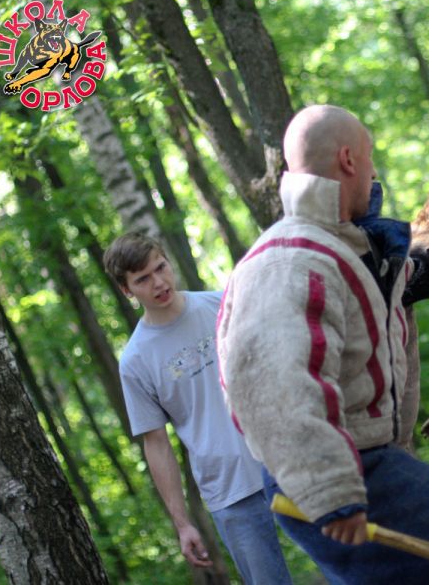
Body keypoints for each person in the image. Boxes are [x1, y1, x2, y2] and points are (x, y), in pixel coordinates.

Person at [216, 104, 429, 583]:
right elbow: (272, 387)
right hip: (339, 470)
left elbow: (427, 276)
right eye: (369, 158)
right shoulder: (288, 262)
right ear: (348, 159)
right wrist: (331, 491)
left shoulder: (351, 250)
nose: (373, 173)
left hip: (368, 462)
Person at [104, 233, 292, 584]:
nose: (159, 282)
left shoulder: (221, 305)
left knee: (344, 562)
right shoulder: (135, 360)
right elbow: (156, 444)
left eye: (160, 268)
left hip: (286, 461)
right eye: (143, 279)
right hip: (228, 490)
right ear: (127, 290)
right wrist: (182, 524)